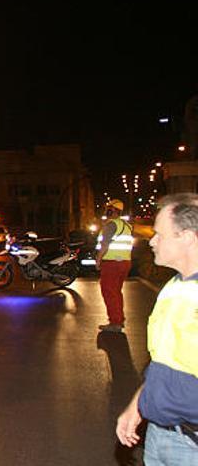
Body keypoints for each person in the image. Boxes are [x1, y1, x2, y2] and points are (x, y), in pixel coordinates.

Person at [116, 193, 198, 464]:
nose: (151, 241)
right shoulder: (175, 287)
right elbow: (164, 360)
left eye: (160, 234)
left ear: (186, 237)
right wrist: (137, 405)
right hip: (161, 435)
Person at [96, 198, 134, 332]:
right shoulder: (127, 225)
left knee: (109, 292)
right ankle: (119, 319)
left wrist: (98, 259)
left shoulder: (111, 225)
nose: (106, 211)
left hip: (112, 263)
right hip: (125, 262)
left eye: (108, 209)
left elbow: (105, 244)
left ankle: (115, 323)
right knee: (116, 292)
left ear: (112, 210)